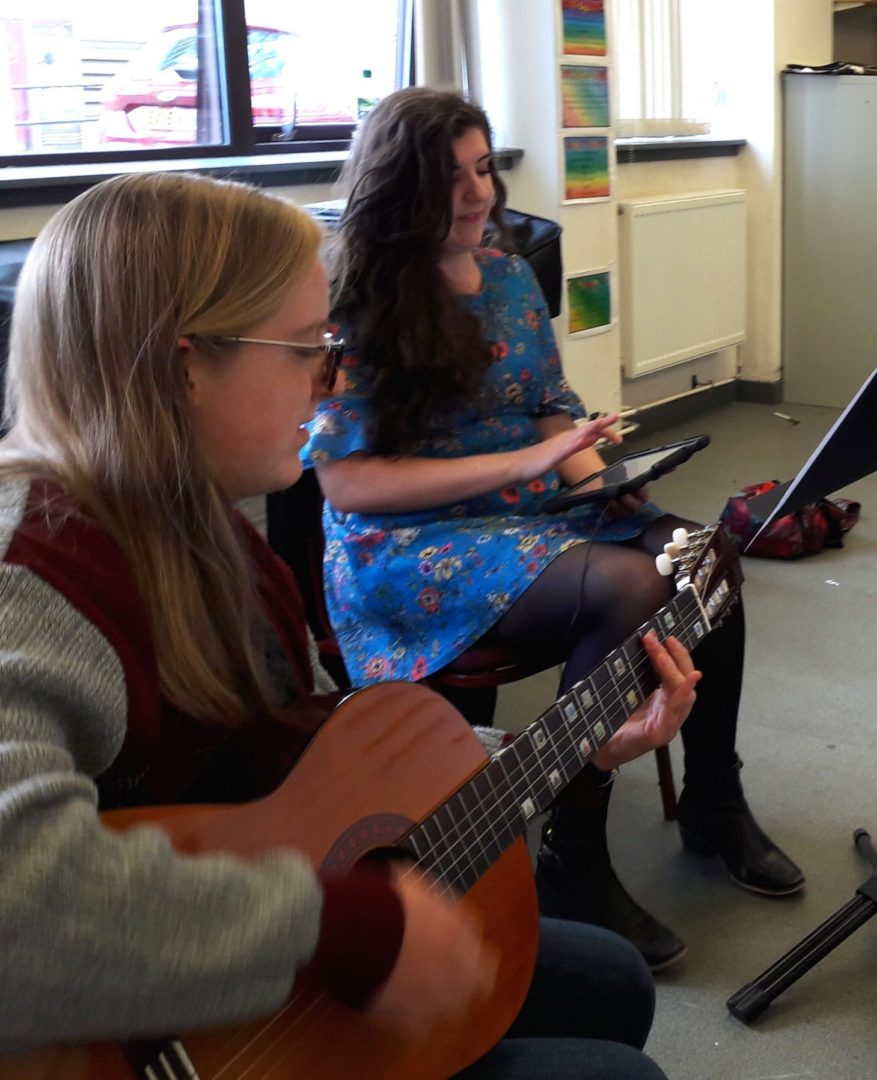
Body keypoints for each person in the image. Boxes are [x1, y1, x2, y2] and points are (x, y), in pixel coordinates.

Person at [0, 171, 701, 1079]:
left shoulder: (213, 540)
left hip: (238, 976)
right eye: (306, 349)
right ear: (184, 365)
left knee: (608, 982)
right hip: (119, 1022)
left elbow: (301, 769)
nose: (329, 384)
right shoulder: (33, 576)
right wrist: (350, 932)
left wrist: (572, 747)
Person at [303, 86, 803, 972]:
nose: (479, 194)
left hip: (526, 511)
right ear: (396, 187)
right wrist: (531, 470)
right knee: (632, 585)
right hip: (409, 547)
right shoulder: (352, 301)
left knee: (704, 555)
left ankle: (714, 801)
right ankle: (574, 853)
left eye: (483, 168)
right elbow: (350, 480)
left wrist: (603, 481)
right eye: (450, 178)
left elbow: (547, 408)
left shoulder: (502, 271)